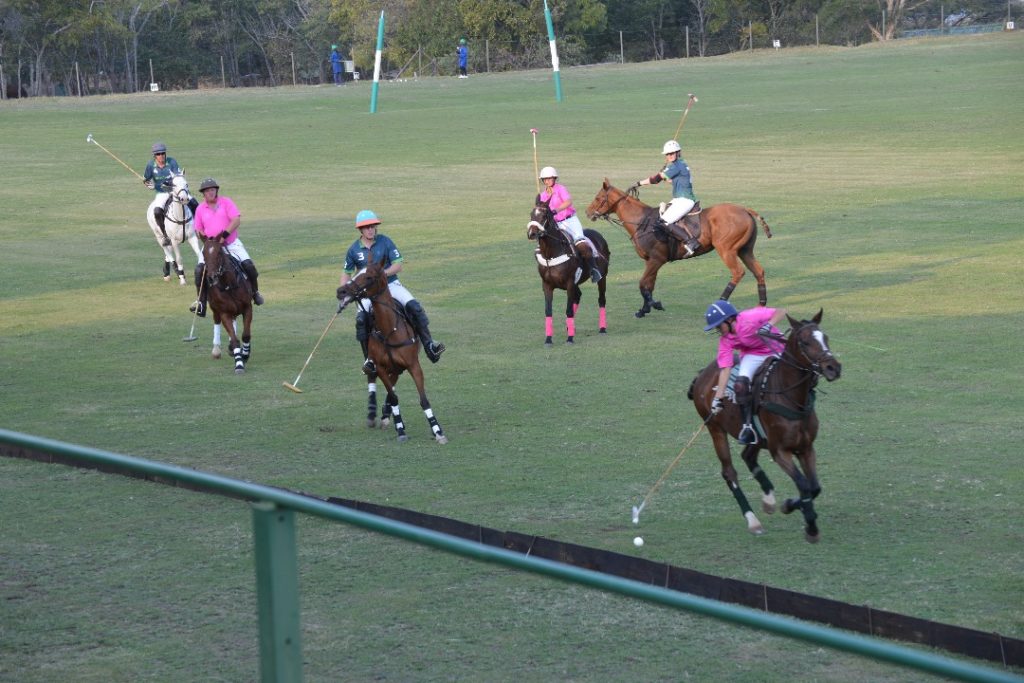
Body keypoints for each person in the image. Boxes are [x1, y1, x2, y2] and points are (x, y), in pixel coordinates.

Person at [339, 210, 445, 374]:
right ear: (360, 230)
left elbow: (398, 265)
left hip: (391, 285)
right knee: (361, 320)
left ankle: (429, 344)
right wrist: (345, 294)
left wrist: (383, 274)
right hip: (368, 292)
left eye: (373, 226)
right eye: (366, 227)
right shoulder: (354, 250)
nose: (370, 230)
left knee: (415, 307)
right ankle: (369, 360)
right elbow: (346, 273)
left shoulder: (385, 242)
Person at [704, 300, 787, 445]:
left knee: (795, 370)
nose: (718, 330)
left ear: (729, 319)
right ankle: (748, 427)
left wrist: (768, 325)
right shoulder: (725, 340)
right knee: (740, 385)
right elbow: (725, 369)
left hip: (775, 346)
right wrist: (717, 399)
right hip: (753, 354)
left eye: (718, 326)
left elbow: (781, 311)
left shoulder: (750, 316)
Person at [190, 177, 264, 317]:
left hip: (230, 242)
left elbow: (236, 220)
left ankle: (255, 293)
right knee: (199, 270)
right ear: (203, 194)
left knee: (249, 266)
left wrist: (223, 235)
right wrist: (208, 241)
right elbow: (198, 229)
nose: (210, 193)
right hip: (211, 246)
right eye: (207, 191)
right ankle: (201, 302)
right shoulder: (200, 208)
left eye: (213, 190)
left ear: (216, 190)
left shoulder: (226, 202)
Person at [633, 139, 702, 257]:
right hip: (679, 199)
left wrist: (638, 183)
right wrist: (664, 175)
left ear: (678, 152)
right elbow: (672, 181)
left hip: (684, 200)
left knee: (665, 222)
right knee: (661, 215)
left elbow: (655, 180)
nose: (669, 156)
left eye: (672, 153)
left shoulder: (676, 166)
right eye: (667, 154)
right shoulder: (680, 164)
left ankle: (691, 242)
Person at [538, 166, 601, 283]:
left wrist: (555, 210)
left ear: (554, 178)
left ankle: (593, 269)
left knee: (580, 243)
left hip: (570, 221)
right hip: (556, 224)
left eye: (549, 178)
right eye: (545, 179)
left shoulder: (560, 189)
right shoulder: (542, 195)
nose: (547, 181)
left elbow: (568, 202)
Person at [144, 141, 199, 235]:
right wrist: (147, 183)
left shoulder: (172, 162)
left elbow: (177, 178)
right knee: (157, 211)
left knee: (194, 203)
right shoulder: (150, 165)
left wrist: (156, 185)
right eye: (158, 154)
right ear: (155, 156)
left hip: (176, 191)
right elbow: (146, 179)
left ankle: (198, 228)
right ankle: (165, 235)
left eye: (163, 153)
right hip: (162, 194)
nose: (161, 156)